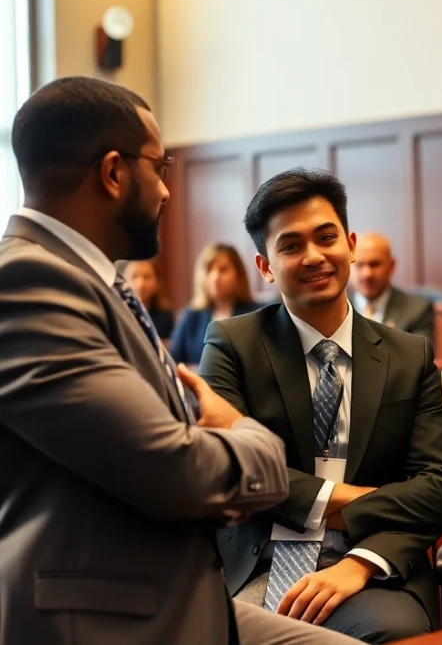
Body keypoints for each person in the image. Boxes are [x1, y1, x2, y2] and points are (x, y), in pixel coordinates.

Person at [0, 76, 360, 644]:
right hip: (102, 612)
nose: (168, 191)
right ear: (114, 173)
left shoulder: (91, 283)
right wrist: (251, 437)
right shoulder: (27, 282)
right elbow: (175, 469)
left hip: (173, 592)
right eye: (159, 166)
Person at [200, 168, 442, 642]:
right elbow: (228, 473)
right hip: (258, 561)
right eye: (291, 245)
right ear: (264, 266)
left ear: (351, 243)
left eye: (326, 238)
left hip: (376, 565)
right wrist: (364, 498)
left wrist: (360, 560)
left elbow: (440, 489)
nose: (314, 257)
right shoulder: (231, 344)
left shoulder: (409, 354)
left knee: (386, 633)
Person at [171, 243, 259, 366]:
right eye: (209, 270)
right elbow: (174, 361)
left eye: (223, 270)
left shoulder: (255, 314)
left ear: (239, 275)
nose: (215, 277)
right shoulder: (192, 315)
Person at [351, 231, 435, 340]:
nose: (367, 274)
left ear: (391, 266)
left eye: (374, 264)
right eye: (359, 265)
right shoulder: (333, 309)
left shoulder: (417, 309)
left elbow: (420, 356)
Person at [119, 258, 175, 340]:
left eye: (147, 277)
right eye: (134, 276)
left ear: (157, 282)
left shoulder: (165, 315)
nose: (141, 283)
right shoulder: (118, 313)